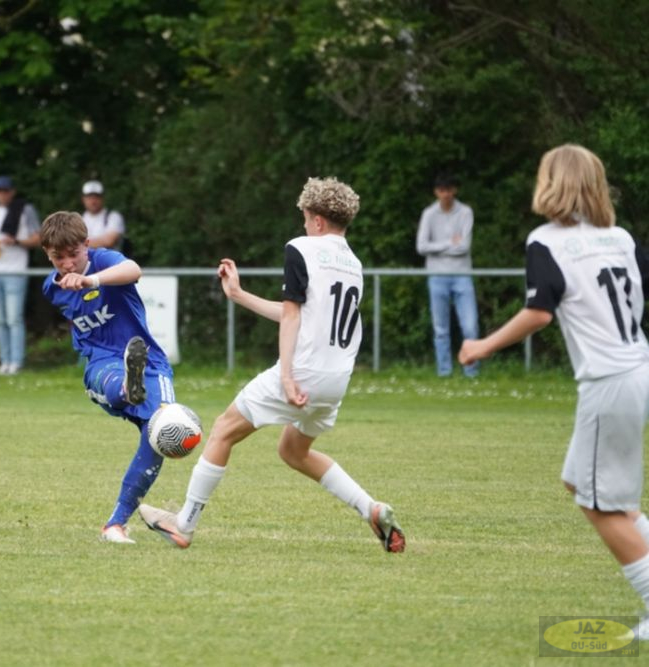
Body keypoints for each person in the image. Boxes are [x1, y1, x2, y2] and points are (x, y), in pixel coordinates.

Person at [139, 177, 406, 553]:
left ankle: (184, 524)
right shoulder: (353, 264)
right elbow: (300, 313)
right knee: (293, 451)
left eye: (305, 218)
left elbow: (294, 317)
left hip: (303, 372)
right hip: (335, 379)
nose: (304, 225)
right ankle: (371, 508)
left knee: (223, 430)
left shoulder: (302, 247)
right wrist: (239, 295)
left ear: (317, 220)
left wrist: (287, 376)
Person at [459, 144, 649, 637]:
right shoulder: (621, 239)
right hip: (636, 369)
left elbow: (539, 313)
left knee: (597, 503)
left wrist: (482, 346)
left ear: (551, 184)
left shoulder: (545, 241)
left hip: (609, 381)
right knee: (580, 482)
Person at [40, 210, 176, 544]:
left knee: (162, 435)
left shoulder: (104, 261)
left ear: (87, 245)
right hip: (102, 362)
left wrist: (91, 281)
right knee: (116, 384)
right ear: (46, 254)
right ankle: (128, 387)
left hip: (149, 360)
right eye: (58, 257)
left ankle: (115, 525)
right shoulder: (51, 288)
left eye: (74, 254)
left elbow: (134, 270)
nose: (68, 264)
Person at [416, 173, 479, 377]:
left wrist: (438, 247)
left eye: (449, 190)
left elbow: (464, 247)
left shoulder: (465, 212)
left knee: (470, 327)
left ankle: (471, 372)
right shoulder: (429, 214)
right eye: (442, 190)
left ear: (455, 190)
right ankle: (444, 372)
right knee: (441, 329)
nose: (446, 194)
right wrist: (449, 243)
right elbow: (421, 246)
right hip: (437, 275)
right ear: (436, 192)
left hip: (462, 274)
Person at [0, 176, 41, 375]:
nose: (2, 194)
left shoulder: (25, 210)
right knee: (0, 319)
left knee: (14, 318)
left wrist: (16, 241)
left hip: (16, 270)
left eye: (6, 191)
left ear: (12, 192)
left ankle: (16, 361)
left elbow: (38, 238)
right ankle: (4, 360)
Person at [80, 180, 126, 251]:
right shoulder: (79, 220)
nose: (93, 201)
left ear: (102, 198)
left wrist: (79, 243)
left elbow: (109, 242)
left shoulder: (114, 217)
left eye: (96, 197)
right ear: (83, 199)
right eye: (89, 197)